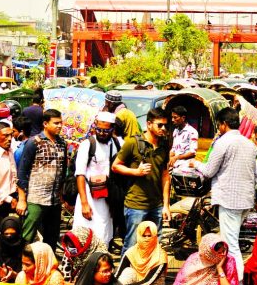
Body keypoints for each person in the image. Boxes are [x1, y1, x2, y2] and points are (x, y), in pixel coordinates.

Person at [191, 107, 257, 282]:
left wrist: (195, 163)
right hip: (246, 199)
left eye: (219, 125)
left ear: (224, 124)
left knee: (231, 245)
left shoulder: (223, 142)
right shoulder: (250, 144)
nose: (218, 128)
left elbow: (209, 170)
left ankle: (240, 283)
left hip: (230, 199)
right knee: (231, 240)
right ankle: (230, 279)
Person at [111, 107, 171, 250]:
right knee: (132, 245)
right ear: (149, 124)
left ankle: (148, 272)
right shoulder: (133, 143)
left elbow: (165, 175)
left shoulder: (164, 146)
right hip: (136, 205)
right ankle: (125, 272)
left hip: (156, 206)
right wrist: (136, 172)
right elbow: (115, 166)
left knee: (154, 245)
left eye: (165, 125)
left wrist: (166, 205)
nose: (163, 128)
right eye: (159, 125)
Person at [17, 109, 68, 245]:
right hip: (36, 198)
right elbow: (22, 172)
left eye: (60, 123)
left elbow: (63, 171)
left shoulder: (62, 143)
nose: (59, 126)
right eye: (56, 123)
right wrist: (22, 199)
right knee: (27, 235)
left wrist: (61, 194)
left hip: (54, 200)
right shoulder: (34, 142)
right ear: (45, 124)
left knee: (52, 236)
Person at [74, 113, 121, 246]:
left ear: (112, 129)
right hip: (89, 197)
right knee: (84, 236)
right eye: (98, 129)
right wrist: (84, 203)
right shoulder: (87, 145)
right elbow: (80, 174)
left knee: (104, 233)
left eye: (105, 130)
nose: (101, 133)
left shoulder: (117, 144)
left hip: (108, 197)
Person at [115, 221, 168, 285]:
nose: (146, 239)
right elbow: (118, 274)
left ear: (155, 236)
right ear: (138, 236)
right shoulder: (131, 252)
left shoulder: (160, 256)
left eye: (149, 236)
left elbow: (147, 282)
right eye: (144, 236)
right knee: (128, 271)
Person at [0, 216, 25, 283]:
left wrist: (15, 275)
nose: (9, 237)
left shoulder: (25, 248)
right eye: (6, 234)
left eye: (13, 234)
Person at [169, 106, 198, 171]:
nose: (172, 120)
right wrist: (170, 158)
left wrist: (177, 157)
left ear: (183, 118)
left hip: (185, 166)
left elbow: (192, 152)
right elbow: (173, 149)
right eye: (172, 117)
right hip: (175, 165)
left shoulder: (192, 132)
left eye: (175, 117)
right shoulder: (176, 131)